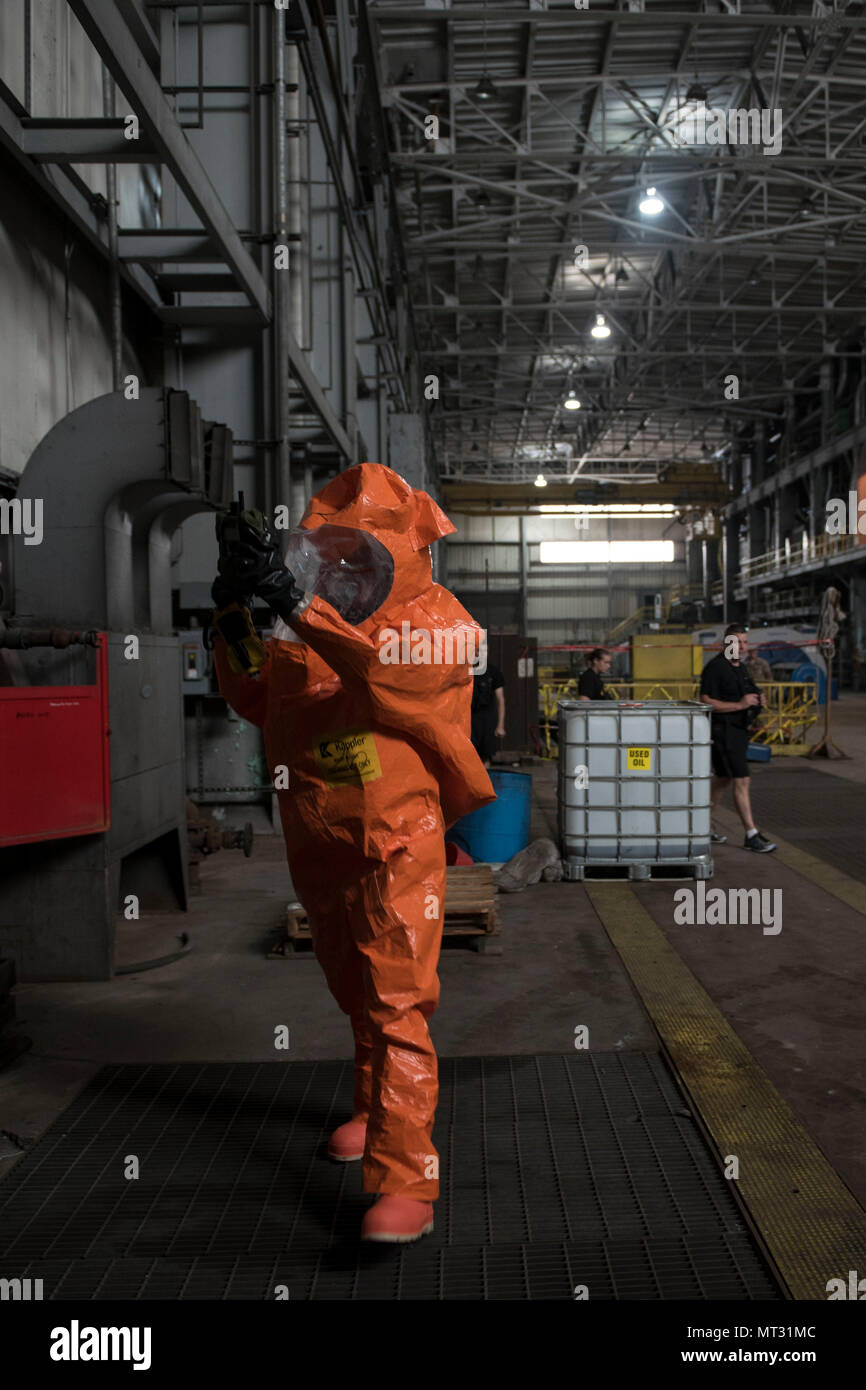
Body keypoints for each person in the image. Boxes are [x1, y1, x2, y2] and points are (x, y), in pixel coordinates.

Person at [210, 463, 494, 1244]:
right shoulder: (307, 622)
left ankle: (408, 1180)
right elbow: (255, 695)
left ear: (402, 551)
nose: (337, 570)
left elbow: (383, 674)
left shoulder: (442, 626)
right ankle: (373, 1112)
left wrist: (299, 605)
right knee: (353, 987)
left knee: (396, 1001)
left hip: (398, 839)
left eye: (355, 555)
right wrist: (232, 612)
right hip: (317, 832)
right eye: (325, 553)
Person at [700, 623, 777, 853]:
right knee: (742, 780)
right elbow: (706, 701)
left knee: (723, 779)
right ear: (726, 644)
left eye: (744, 642)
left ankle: (700, 826)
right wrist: (740, 704)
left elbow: (750, 690)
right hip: (723, 733)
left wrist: (758, 698)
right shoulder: (715, 668)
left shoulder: (740, 668)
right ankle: (751, 834)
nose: (742, 647)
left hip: (738, 732)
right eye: (737, 642)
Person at [470, 648, 505, 767]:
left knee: (485, 756)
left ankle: (484, 783)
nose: (479, 654)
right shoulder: (464, 671)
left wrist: (500, 726)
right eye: (476, 651)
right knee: (469, 755)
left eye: (482, 651)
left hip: (488, 720)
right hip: (469, 719)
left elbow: (500, 700)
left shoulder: (493, 672)